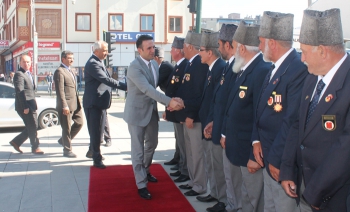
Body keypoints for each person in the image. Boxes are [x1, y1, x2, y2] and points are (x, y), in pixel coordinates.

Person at [280, 8, 350, 212]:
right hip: (306, 187)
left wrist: (314, 193)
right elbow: (297, 124)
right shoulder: (312, 78)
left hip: (334, 196)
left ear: (322, 51)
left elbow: (345, 149)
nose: (301, 58)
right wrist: (287, 170)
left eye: (304, 51)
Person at [250, 11, 308, 212]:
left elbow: (291, 120)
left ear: (272, 43)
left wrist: (275, 159)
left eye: (261, 42)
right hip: (267, 154)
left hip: (281, 160)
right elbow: (261, 109)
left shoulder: (297, 68)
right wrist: (255, 140)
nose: (258, 47)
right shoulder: (275, 67)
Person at [123, 35, 184, 200]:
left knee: (153, 143)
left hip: (151, 112)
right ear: (139, 50)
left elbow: (159, 90)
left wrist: (171, 101)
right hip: (136, 114)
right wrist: (170, 102)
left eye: (153, 47)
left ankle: (145, 169)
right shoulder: (134, 67)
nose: (153, 50)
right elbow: (148, 90)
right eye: (148, 48)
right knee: (137, 150)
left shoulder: (155, 66)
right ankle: (141, 184)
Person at [221, 21, 271, 212]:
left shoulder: (260, 71)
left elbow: (259, 117)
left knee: (253, 200)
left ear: (241, 48)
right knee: (245, 197)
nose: (233, 51)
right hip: (238, 147)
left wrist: (253, 156)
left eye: (234, 47)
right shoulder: (244, 69)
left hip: (248, 153)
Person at [202, 23, 238, 212]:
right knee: (223, 171)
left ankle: (229, 203)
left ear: (227, 44)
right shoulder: (228, 67)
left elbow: (230, 105)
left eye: (219, 44)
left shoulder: (234, 68)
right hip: (219, 125)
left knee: (230, 174)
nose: (218, 47)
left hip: (229, 131)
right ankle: (226, 202)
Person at [83, 40, 127, 169]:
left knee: (98, 130)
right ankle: (97, 158)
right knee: (96, 132)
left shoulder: (99, 61)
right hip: (94, 103)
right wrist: (125, 87)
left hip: (99, 103)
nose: (107, 53)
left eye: (107, 50)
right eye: (104, 50)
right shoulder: (93, 63)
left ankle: (92, 151)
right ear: (96, 50)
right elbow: (106, 80)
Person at [175, 31, 209, 197]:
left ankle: (200, 185)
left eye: (184, 47)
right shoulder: (190, 63)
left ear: (190, 47)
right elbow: (186, 90)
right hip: (187, 114)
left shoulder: (199, 64)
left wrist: (191, 114)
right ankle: (193, 180)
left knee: (196, 153)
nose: (182, 50)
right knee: (190, 152)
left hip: (194, 118)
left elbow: (198, 93)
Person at [197, 31, 227, 211]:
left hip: (214, 125)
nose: (199, 53)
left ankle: (222, 198)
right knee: (210, 163)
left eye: (201, 50)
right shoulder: (212, 69)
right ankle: (215, 193)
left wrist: (213, 121)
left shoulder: (220, 68)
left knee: (217, 165)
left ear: (210, 52)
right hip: (208, 123)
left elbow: (219, 102)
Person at [162, 36, 190, 183]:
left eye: (173, 48)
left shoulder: (184, 65)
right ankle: (181, 165)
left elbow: (180, 90)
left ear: (179, 51)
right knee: (179, 141)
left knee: (183, 143)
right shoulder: (179, 65)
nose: (171, 51)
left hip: (178, 110)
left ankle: (184, 169)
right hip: (173, 109)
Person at [8, 55, 44, 155]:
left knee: (32, 126)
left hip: (31, 104)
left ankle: (16, 142)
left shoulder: (28, 74)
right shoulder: (19, 74)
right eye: (24, 62)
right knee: (33, 126)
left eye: (28, 62)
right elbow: (20, 91)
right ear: (20, 63)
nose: (26, 64)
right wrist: (25, 107)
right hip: (25, 106)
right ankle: (35, 147)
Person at [54, 50, 84, 158]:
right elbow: (60, 91)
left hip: (75, 103)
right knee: (66, 128)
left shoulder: (70, 70)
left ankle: (63, 141)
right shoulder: (59, 71)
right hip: (66, 105)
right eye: (69, 58)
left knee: (80, 123)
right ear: (63, 59)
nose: (72, 60)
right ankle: (67, 150)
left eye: (72, 58)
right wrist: (64, 105)